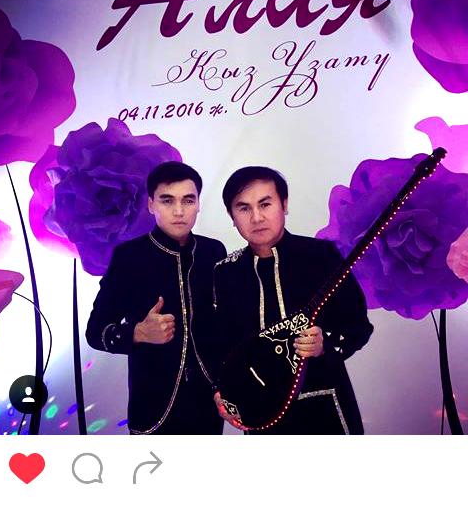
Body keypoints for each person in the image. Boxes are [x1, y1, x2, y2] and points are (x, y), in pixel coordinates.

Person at [213, 166, 373, 434]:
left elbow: (358, 326)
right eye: (243, 208)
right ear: (231, 216)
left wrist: (325, 343)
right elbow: (224, 344)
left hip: (325, 404)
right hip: (260, 410)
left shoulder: (321, 256)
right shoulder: (226, 272)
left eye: (265, 204)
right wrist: (223, 391)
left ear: (284, 205)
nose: (256, 217)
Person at [86, 162, 226, 434]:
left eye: (188, 200)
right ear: (151, 205)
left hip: (208, 403)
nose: (179, 211)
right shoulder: (129, 257)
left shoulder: (213, 251)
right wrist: (137, 333)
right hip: (153, 406)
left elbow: (223, 326)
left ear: (198, 204)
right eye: (167, 200)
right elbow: (95, 332)